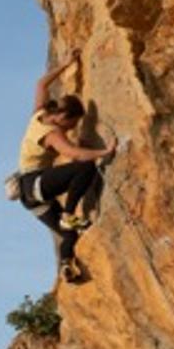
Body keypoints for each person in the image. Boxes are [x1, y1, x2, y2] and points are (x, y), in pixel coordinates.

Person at [14, 50, 118, 281]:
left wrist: (65, 64)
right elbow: (74, 154)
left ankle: (66, 265)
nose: (71, 129)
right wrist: (105, 151)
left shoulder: (39, 114)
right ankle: (69, 213)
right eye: (72, 123)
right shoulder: (51, 134)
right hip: (35, 183)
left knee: (68, 233)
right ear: (62, 117)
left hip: (28, 196)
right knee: (86, 167)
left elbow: (41, 84)